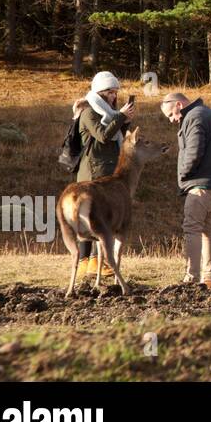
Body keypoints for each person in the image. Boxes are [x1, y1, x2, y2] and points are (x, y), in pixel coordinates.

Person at [161, 92, 211, 290]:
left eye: (171, 115)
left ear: (178, 104)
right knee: (207, 230)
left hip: (201, 186)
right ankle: (209, 278)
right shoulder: (207, 114)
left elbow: (194, 151)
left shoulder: (194, 117)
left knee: (191, 227)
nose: (172, 120)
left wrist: (183, 174)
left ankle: (191, 278)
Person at [72, 71, 134, 279]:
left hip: (106, 174)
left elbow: (121, 138)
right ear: (99, 92)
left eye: (115, 92)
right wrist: (120, 117)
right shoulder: (89, 112)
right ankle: (86, 263)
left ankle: (95, 263)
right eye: (110, 92)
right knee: (90, 220)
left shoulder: (109, 112)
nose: (114, 97)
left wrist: (124, 121)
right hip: (92, 175)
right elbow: (103, 136)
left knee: (101, 219)